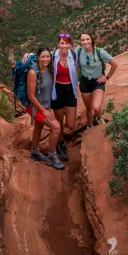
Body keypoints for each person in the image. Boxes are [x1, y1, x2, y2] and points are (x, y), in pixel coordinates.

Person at [26, 47, 65, 170]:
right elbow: (31, 96)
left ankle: (34, 152)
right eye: (42, 56)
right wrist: (43, 110)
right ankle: (52, 156)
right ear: (38, 57)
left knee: (38, 127)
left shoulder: (49, 69)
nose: (45, 59)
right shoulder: (33, 72)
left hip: (45, 106)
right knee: (56, 127)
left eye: (48, 56)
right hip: (35, 108)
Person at [77, 33, 118, 129]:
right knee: (88, 108)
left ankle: (99, 118)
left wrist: (107, 77)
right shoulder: (78, 51)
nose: (85, 42)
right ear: (80, 42)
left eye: (87, 39)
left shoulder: (100, 52)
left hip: (97, 82)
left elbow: (115, 64)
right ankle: (89, 125)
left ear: (91, 40)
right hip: (84, 82)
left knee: (96, 107)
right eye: (83, 40)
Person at [50, 33, 79, 162]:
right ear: (58, 44)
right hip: (57, 91)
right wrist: (27, 55)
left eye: (67, 43)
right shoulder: (51, 55)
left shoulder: (74, 55)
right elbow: (39, 57)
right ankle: (60, 143)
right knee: (59, 121)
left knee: (71, 125)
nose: (64, 46)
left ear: (70, 45)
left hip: (70, 90)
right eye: (62, 43)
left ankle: (65, 114)